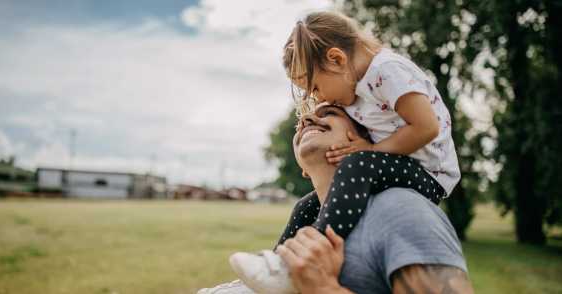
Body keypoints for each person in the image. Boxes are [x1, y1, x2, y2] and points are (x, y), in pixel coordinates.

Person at [229, 11, 461, 293]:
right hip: (399, 162)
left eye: (315, 87)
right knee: (305, 205)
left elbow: (426, 128)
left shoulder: (388, 71)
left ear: (337, 59)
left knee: (360, 163)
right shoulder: (357, 88)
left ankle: (315, 251)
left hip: (430, 173)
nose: (319, 100)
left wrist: (371, 149)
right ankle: (278, 266)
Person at [198, 103, 473, 293]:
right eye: (300, 123)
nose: (306, 120)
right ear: (303, 169)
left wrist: (324, 289)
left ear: (365, 138)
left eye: (329, 112)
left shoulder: (401, 209)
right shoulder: (306, 217)